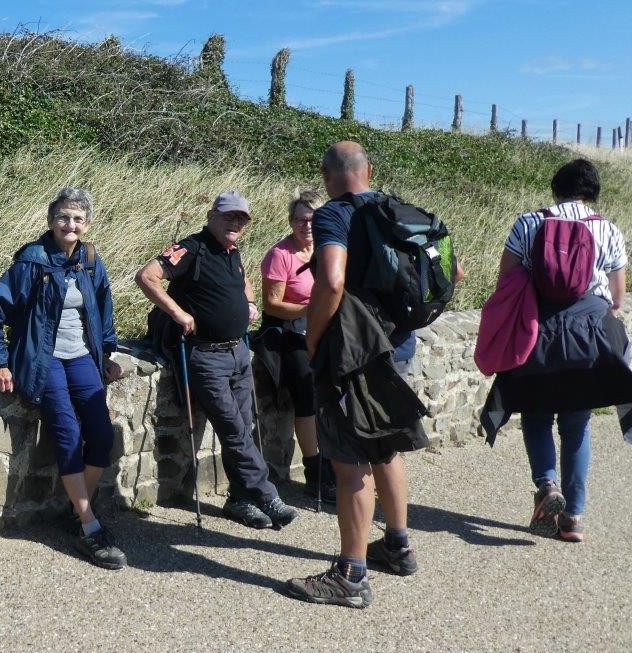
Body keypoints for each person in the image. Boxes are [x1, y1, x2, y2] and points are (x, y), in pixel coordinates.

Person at [285, 141, 431, 609]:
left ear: (327, 176)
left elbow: (331, 280)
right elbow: (454, 270)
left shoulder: (334, 215)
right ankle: (398, 545)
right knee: (386, 445)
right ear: (368, 170)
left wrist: (313, 338)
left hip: (353, 351)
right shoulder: (398, 210)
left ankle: (350, 575)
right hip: (399, 345)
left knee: (350, 463)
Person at [480, 158, 631, 542]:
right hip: (590, 336)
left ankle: (548, 487)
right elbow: (617, 297)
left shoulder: (528, 223)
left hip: (538, 334)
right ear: (593, 193)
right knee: (578, 423)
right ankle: (574, 519)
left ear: (556, 188)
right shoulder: (610, 230)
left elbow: (506, 283)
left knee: (536, 416)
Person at [0, 187, 126, 569]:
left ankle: (76, 512)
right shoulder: (32, 261)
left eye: (77, 218)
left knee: (103, 434)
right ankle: (90, 526)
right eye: (63, 217)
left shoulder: (91, 260)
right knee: (67, 433)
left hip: (82, 357)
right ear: (50, 221)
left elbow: (103, 310)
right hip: (46, 360)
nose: (70, 224)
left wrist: (106, 355)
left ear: (87, 224)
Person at [135, 191, 299, 531]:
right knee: (235, 430)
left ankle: (239, 499)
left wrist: (250, 303)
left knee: (244, 427)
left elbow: (243, 281)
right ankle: (266, 494)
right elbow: (146, 276)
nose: (235, 223)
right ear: (212, 216)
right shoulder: (191, 248)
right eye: (228, 216)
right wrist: (178, 313)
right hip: (205, 356)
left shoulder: (232, 252)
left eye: (241, 218)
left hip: (238, 351)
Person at [253, 189, 336, 504]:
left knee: (330, 400)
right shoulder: (280, 255)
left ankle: (330, 465)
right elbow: (271, 305)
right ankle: (315, 472)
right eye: (300, 220)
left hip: (327, 335)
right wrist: (309, 309)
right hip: (291, 337)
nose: (307, 226)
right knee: (309, 400)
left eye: (313, 219)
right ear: (290, 222)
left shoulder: (328, 251)